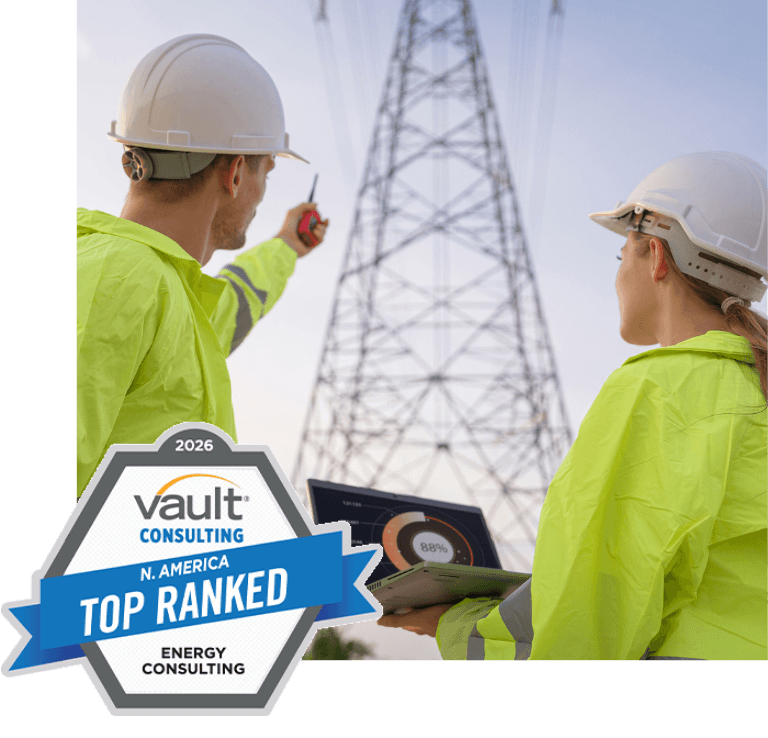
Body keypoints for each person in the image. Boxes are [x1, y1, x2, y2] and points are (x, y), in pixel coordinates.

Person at [379, 151, 768, 660]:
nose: (618, 275)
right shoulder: (753, 386)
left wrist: (453, 624)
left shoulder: (658, 391)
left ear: (655, 255)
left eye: (621, 256)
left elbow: (580, 632)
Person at [77, 34, 328, 499]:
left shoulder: (161, 291)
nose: (262, 192)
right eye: (266, 172)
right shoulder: (121, 278)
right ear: (235, 174)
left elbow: (233, 306)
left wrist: (287, 246)